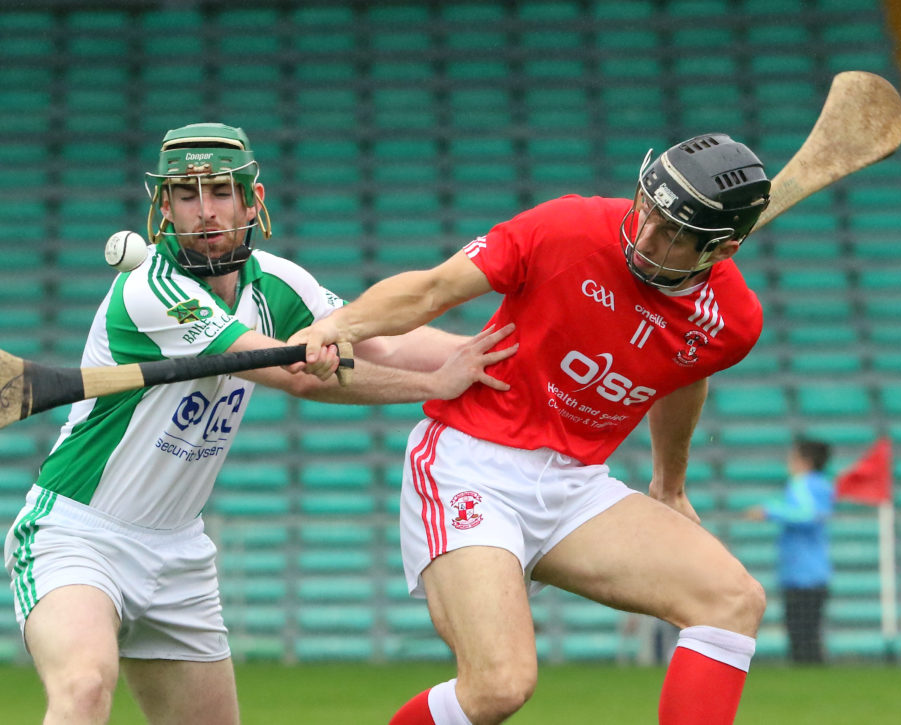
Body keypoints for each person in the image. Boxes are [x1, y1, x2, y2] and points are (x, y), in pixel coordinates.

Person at [3, 122, 515, 725]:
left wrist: (489, 354)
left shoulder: (279, 283)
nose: (206, 211)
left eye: (221, 191)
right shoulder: (150, 291)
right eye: (187, 195)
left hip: (177, 550)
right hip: (78, 535)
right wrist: (433, 386)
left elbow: (383, 343)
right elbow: (298, 377)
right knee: (85, 686)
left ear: (253, 201)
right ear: (164, 208)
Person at [293, 133, 773, 724]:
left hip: (576, 485)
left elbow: (683, 375)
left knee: (733, 601)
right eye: (647, 208)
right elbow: (434, 288)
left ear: (722, 249)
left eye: (672, 232)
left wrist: (669, 484)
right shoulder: (569, 227)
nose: (644, 235)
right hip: (471, 464)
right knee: (499, 686)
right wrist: (340, 325)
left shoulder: (732, 322)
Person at [745, 437, 834, 664]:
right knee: (809, 634)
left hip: (802, 574)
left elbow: (807, 514)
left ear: (805, 461)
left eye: (793, 457)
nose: (788, 462)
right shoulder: (823, 485)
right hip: (815, 571)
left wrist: (769, 511)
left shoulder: (802, 483)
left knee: (801, 635)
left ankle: (809, 676)